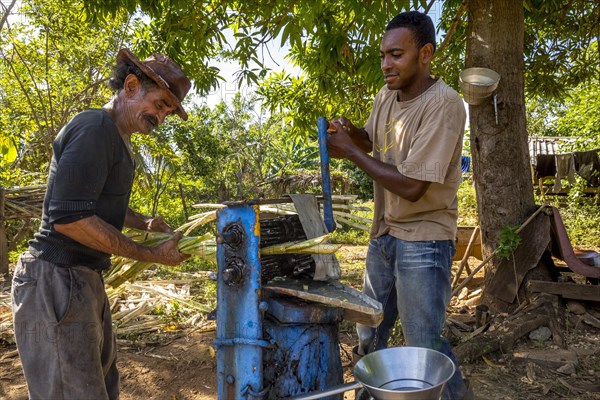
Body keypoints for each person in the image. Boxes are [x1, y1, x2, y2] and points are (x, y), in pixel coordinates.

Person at [11, 48, 192, 400]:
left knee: (100, 388)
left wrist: (144, 221)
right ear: (130, 85)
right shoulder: (95, 128)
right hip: (56, 278)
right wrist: (150, 254)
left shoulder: (118, 140)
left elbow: (92, 201)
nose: (161, 117)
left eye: (168, 111)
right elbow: (70, 218)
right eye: (159, 104)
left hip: (82, 279)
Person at [326, 11, 469, 400]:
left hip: (424, 238)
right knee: (370, 333)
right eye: (383, 56)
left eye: (396, 55)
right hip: (384, 232)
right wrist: (351, 134)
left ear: (425, 54)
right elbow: (372, 142)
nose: (386, 65)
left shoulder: (445, 105)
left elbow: (412, 186)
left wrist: (352, 152)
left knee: (424, 345)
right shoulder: (387, 94)